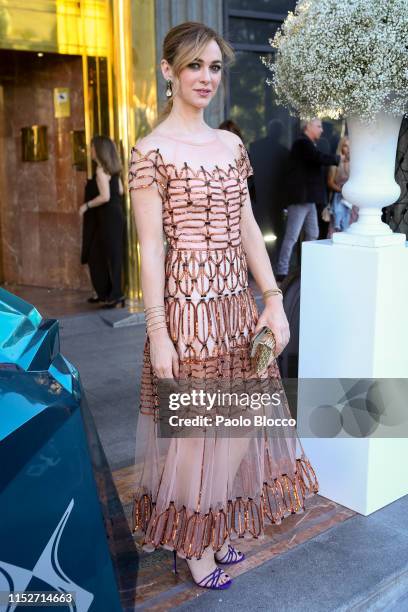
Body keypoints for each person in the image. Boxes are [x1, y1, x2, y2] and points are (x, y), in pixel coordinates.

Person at [129, 21, 318, 591]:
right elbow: (153, 248)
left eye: (214, 67)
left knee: (239, 425)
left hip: (235, 308)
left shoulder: (231, 146)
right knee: (193, 437)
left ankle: (208, 527)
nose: (206, 77)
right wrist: (158, 330)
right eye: (194, 66)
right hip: (186, 312)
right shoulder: (149, 152)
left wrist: (273, 300)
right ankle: (194, 544)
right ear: (168, 71)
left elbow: (244, 228)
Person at [275, 119, 340, 281]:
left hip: (308, 199)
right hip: (300, 198)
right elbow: (317, 157)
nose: (322, 130)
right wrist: (337, 159)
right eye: (318, 126)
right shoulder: (302, 144)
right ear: (307, 127)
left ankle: (308, 266)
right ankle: (282, 271)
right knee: (292, 236)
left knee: (313, 233)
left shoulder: (306, 144)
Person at [79, 136, 125, 308]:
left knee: (102, 255)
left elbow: (105, 196)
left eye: (91, 148)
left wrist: (86, 206)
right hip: (116, 214)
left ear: (98, 150)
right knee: (113, 255)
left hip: (107, 216)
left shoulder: (100, 170)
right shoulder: (113, 169)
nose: (90, 151)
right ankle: (114, 294)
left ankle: (113, 295)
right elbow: (119, 190)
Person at [249, 119, 289, 262]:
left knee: (257, 228)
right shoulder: (284, 152)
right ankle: (271, 259)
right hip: (275, 198)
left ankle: (257, 260)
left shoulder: (255, 147)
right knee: (275, 230)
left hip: (257, 196)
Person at [327, 136, 358, 236]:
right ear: (341, 147)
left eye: (350, 146)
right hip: (338, 198)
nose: (348, 149)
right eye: (345, 146)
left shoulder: (356, 163)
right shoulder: (336, 162)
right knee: (337, 227)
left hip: (353, 200)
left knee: (352, 227)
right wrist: (342, 191)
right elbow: (330, 182)